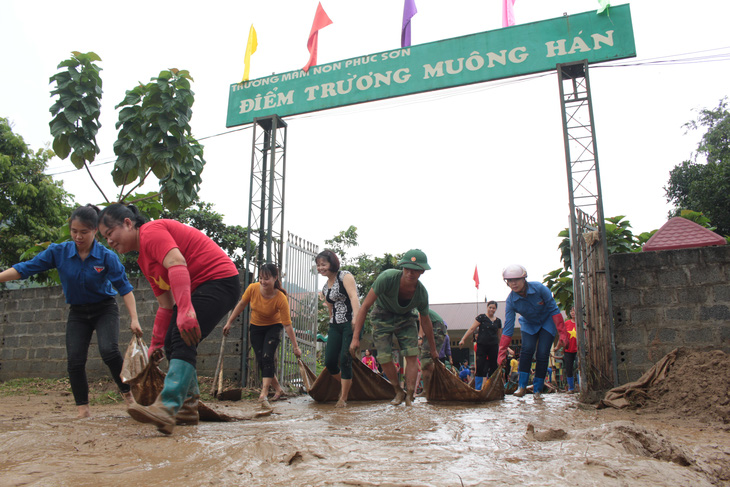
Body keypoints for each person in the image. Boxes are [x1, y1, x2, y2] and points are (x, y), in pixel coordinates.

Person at [97, 203, 240, 434]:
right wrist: (156, 343)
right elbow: (165, 304)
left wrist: (185, 310)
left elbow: (176, 262)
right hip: (198, 289)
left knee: (182, 337)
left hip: (218, 280)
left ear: (127, 223)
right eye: (104, 237)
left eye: (110, 233)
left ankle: (168, 407)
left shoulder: (151, 232)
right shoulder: (143, 259)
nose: (109, 241)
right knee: (173, 344)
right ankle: (187, 409)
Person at [0, 204, 142, 419]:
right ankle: (83, 410)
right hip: (78, 313)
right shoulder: (58, 252)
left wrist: (134, 319)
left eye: (84, 232)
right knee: (75, 361)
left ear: (95, 230)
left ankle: (129, 395)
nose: (78, 236)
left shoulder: (106, 257)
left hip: (104, 308)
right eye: (74, 231)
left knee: (109, 351)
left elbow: (125, 289)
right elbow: (25, 268)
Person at [349, 249, 438, 406]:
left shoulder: (422, 294)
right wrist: (355, 338)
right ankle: (397, 390)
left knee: (411, 354)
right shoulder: (387, 278)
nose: (410, 273)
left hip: (406, 317)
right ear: (402, 267)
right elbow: (365, 307)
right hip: (382, 315)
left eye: (415, 270)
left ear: (422, 272)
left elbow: (426, 322)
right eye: (407, 268)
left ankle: (410, 394)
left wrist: (433, 349)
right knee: (384, 356)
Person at [224, 263, 302, 408]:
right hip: (256, 327)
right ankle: (278, 389)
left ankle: (264, 393)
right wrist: (229, 322)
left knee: (267, 357)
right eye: (261, 278)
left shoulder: (280, 298)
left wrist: (295, 347)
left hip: (274, 327)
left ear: (275, 278)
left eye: (266, 278)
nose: (263, 282)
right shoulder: (252, 289)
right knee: (261, 359)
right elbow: (241, 304)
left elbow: (287, 324)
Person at [497, 264, 567, 400]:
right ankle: (521, 386)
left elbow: (554, 310)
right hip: (529, 324)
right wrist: (502, 351)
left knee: (542, 353)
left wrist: (562, 333)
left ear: (524, 279)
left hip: (547, 322)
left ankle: (537, 389)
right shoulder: (511, 301)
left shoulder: (539, 288)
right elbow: (509, 326)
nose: (513, 283)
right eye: (510, 281)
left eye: (516, 279)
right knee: (527, 349)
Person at [315, 250, 361, 407]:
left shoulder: (345, 276)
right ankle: (347, 384)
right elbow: (330, 307)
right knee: (330, 362)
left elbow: (354, 297)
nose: (320, 268)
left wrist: (356, 318)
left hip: (350, 322)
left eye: (324, 264)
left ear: (332, 263)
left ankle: (343, 397)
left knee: (345, 358)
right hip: (335, 325)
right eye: (318, 265)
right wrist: (330, 322)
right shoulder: (325, 287)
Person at [459, 300, 502, 390]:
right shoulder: (481, 317)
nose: (491, 309)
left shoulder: (498, 321)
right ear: (487, 307)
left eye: (493, 308)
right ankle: (478, 389)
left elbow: (499, 337)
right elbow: (472, 329)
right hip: (482, 346)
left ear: (496, 309)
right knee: (480, 366)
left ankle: (491, 388)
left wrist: (505, 349)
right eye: (490, 307)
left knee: (493, 366)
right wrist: (463, 339)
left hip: (493, 346)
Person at [417, 309, 448, 395]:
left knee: (426, 360)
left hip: (436, 327)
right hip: (435, 327)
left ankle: (428, 391)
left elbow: (421, 318)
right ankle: (430, 390)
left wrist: (420, 336)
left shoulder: (413, 307)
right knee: (428, 362)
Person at [563, 306, 579, 393]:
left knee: (578, 366)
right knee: (569, 368)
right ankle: (571, 388)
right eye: (571, 311)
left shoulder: (581, 323)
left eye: (574, 311)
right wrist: (558, 347)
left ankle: (580, 386)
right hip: (568, 350)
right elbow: (563, 336)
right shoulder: (567, 323)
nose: (573, 312)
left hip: (578, 350)